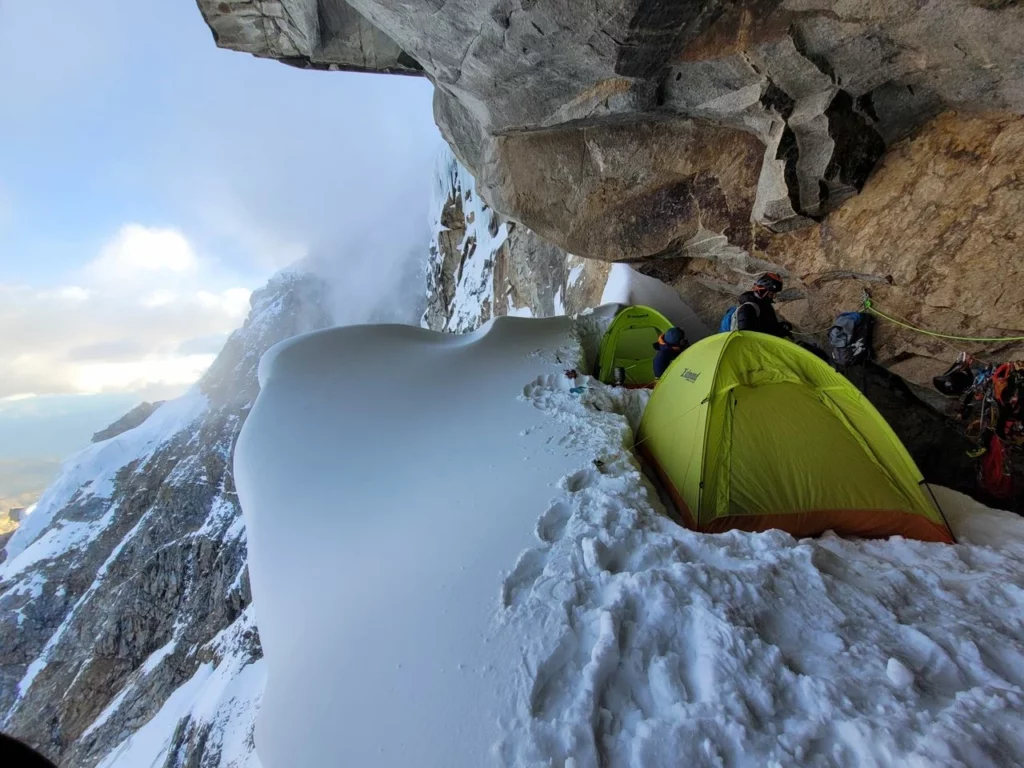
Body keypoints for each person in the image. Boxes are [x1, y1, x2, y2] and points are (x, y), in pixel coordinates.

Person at [735, 273, 791, 337]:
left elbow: (768, 325)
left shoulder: (765, 305)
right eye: (771, 293)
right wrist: (778, 333)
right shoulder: (747, 308)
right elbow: (746, 335)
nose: (774, 296)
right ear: (763, 291)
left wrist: (781, 327)